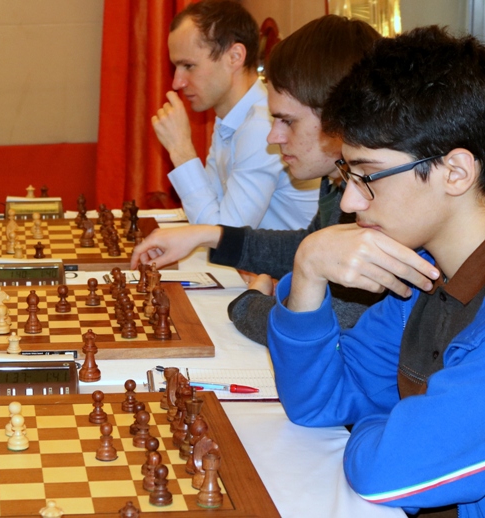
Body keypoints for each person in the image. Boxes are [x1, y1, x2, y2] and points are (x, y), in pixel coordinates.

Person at [268, 27, 485, 517]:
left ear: (455, 172)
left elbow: (385, 473)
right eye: (347, 177)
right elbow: (319, 403)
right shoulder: (424, 276)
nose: (348, 201)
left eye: (368, 176)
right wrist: (307, 272)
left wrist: (385, 424)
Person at [133, 15, 381, 344]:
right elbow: (306, 245)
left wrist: (250, 303)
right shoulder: (337, 177)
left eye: (287, 122)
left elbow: (325, 332)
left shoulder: (376, 196)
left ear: (339, 118)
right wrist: (209, 235)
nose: (273, 138)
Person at [154, 0, 319, 228]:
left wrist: (181, 149)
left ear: (234, 56)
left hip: (286, 264)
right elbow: (211, 210)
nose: (177, 83)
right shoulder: (230, 119)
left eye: (189, 66)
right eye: (176, 68)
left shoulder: (263, 126)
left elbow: (222, 237)